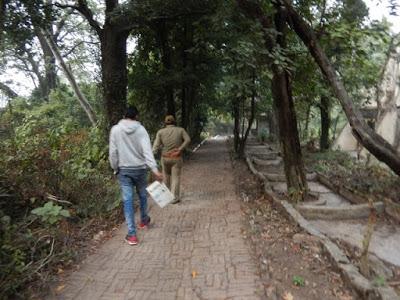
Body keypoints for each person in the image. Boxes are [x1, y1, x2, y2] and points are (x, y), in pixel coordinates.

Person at [109, 106, 163, 245]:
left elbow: (113, 153)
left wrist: (115, 168)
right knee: (143, 195)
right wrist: (154, 169)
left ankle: (132, 235)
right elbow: (147, 152)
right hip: (140, 169)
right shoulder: (141, 130)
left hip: (124, 171)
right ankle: (144, 220)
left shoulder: (115, 130)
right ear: (136, 116)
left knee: (128, 200)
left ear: (123, 115)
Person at [153, 115, 191, 204]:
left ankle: (166, 197)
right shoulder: (180, 130)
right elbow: (188, 139)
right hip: (176, 158)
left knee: (166, 176)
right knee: (175, 177)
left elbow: (156, 146)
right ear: (174, 122)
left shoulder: (160, 132)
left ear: (165, 123)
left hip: (165, 158)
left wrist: (152, 155)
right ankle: (174, 198)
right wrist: (180, 149)